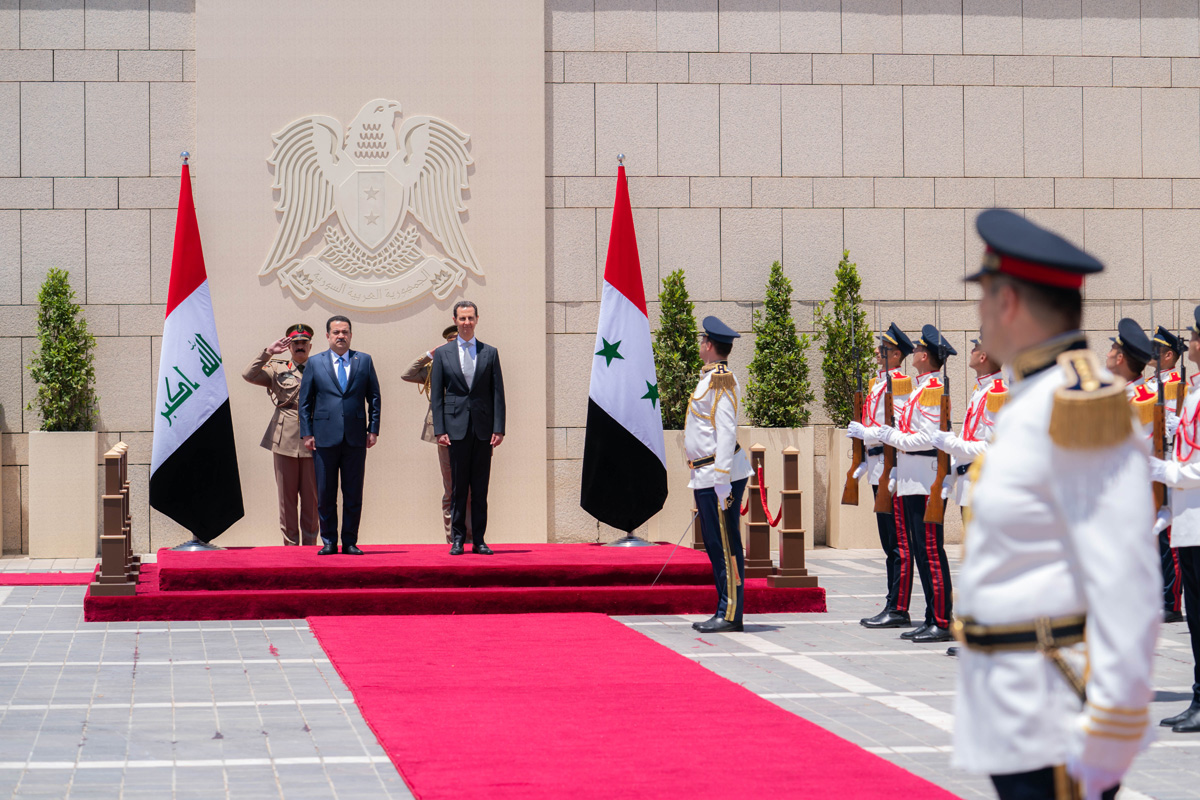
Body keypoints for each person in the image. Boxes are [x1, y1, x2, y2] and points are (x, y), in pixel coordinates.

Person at [953, 208, 1160, 800]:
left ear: (1009, 302)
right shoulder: (1031, 398)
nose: (980, 314)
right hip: (1015, 709)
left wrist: (1108, 735)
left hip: (1055, 720)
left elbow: (1125, 578)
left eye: (984, 297)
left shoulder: (1078, 405)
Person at [868, 325, 957, 644]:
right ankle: (931, 616)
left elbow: (929, 437)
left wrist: (894, 438)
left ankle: (942, 619)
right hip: (909, 477)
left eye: (920, 349)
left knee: (930, 551)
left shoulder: (931, 389)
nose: (916, 352)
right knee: (919, 550)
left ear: (924, 356)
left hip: (924, 477)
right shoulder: (920, 389)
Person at [1149, 305, 1200, 733]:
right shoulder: (1195, 393)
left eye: (1195, 338)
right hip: (1187, 518)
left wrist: (1163, 472)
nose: (1192, 345)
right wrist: (1167, 508)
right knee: (1198, 620)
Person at [685, 316, 754, 634]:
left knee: (724, 545)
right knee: (716, 544)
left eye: (702, 341)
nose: (700, 345)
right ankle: (727, 608)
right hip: (707, 474)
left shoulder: (722, 380)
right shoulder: (710, 378)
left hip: (718, 474)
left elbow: (727, 430)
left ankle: (730, 613)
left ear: (709, 346)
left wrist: (723, 478)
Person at [847, 323, 915, 630]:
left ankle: (898, 608)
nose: (877, 351)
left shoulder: (899, 385)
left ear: (896, 354)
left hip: (892, 470)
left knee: (898, 543)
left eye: (883, 348)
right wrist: (860, 459)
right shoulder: (878, 383)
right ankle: (892, 602)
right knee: (889, 542)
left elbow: (898, 427)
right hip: (877, 468)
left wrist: (868, 433)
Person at [298, 315, 382, 556]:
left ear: (351, 335)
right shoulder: (315, 363)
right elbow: (305, 402)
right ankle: (328, 541)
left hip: (356, 438)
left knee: (353, 491)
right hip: (323, 438)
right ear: (327, 336)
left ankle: (350, 541)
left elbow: (374, 397)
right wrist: (307, 433)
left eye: (345, 332)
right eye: (336, 332)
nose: (341, 336)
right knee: (325, 493)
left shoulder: (363, 361)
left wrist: (373, 429)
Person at [430, 301, 505, 556]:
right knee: (459, 487)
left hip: (483, 429)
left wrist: (499, 427)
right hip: (455, 428)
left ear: (477, 319)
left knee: (481, 487)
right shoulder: (443, 353)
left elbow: (497, 393)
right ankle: (458, 539)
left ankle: (480, 539)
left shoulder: (489, 352)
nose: (466, 323)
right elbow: (437, 396)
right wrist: (439, 429)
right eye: (461, 318)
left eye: (470, 318)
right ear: (455, 320)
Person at [241, 324, 319, 546]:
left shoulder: (321, 368)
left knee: (312, 499)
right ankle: (290, 549)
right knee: (286, 499)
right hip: (284, 436)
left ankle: (311, 547)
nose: (300, 347)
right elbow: (248, 374)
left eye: (304, 343)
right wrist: (268, 352)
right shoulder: (276, 369)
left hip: (314, 437)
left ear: (310, 346)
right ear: (290, 347)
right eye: (295, 343)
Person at [401, 324, 469, 544]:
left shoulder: (473, 365)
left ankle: (471, 538)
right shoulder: (435, 368)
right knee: (451, 488)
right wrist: (431, 353)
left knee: (471, 488)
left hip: (470, 430)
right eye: (450, 344)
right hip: (444, 433)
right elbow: (407, 373)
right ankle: (453, 539)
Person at [930, 338, 1006, 509]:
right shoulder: (979, 392)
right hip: (968, 488)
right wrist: (949, 480)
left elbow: (990, 449)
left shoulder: (997, 394)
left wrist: (951, 444)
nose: (971, 351)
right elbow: (968, 437)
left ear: (983, 356)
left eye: (975, 348)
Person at [1150, 326, 1187, 623]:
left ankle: (1171, 602)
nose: (1150, 354)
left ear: (1169, 355)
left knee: (1168, 539)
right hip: (1153, 465)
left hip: (1170, 463)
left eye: (1156, 349)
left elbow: (1177, 423)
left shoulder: (1174, 384)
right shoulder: (1152, 384)